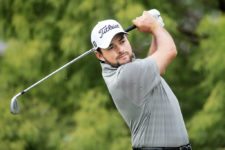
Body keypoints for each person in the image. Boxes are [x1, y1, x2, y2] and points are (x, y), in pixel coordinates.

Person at [91, 10, 192, 150]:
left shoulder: (130, 70)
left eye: (122, 41)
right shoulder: (125, 75)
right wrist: (155, 27)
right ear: (100, 55)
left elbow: (158, 69)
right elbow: (170, 51)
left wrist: (156, 29)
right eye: (111, 47)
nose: (120, 49)